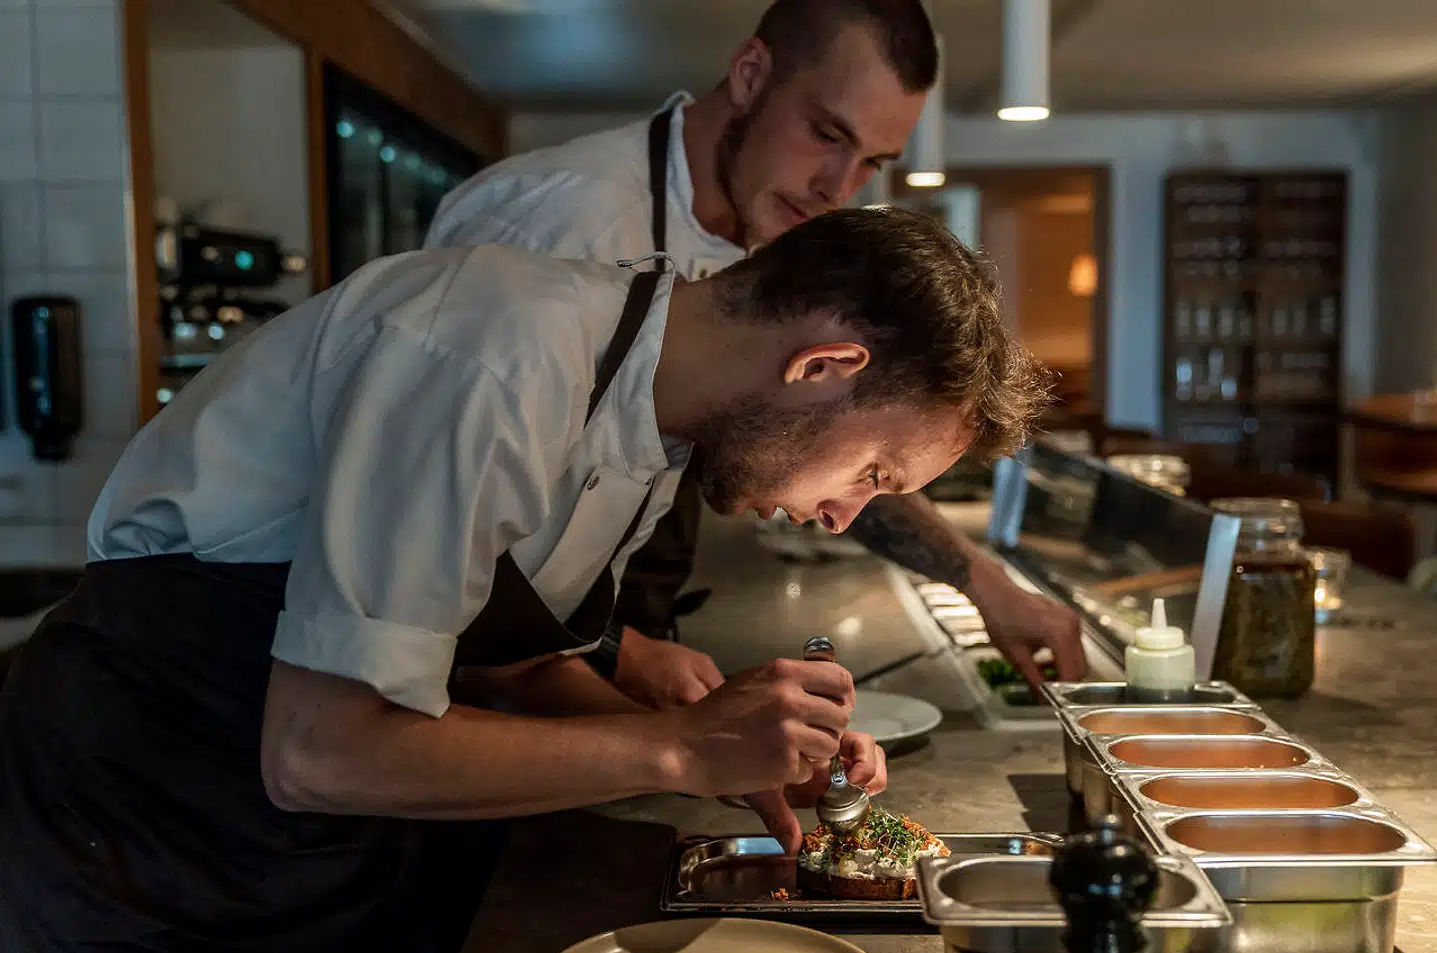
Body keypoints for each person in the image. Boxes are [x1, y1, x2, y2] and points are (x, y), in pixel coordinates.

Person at [0, 207, 1050, 953]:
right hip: (142, 816)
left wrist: (739, 754)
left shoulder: (660, 427)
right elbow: (320, 748)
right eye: (873, 473)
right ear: (823, 367)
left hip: (307, 839)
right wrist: (678, 746)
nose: (844, 516)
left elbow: (507, 666)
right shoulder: (494, 360)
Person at [426, 0, 1086, 713]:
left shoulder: (773, 234)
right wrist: (618, 654)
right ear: (748, 74)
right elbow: (426, 521)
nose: (839, 186)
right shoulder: (555, 222)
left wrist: (980, 580)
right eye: (828, 134)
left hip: (575, 641)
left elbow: (821, 443)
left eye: (872, 162)